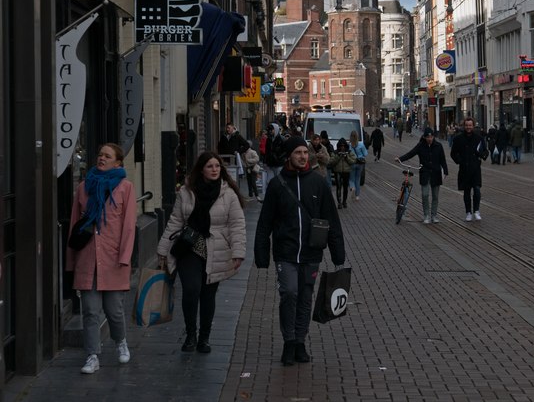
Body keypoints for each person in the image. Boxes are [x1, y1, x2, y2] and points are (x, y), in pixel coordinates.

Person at [254, 136, 345, 366]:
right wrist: (262, 254)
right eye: (298, 153)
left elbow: (331, 220)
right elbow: (265, 222)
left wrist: (338, 254)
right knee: (290, 293)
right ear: (289, 156)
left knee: (305, 297)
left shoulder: (318, 183)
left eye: (305, 152)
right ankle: (289, 341)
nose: (303, 156)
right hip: (286, 252)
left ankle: (300, 342)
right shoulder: (277, 185)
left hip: (311, 252)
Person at [157, 151, 246, 354]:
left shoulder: (228, 194)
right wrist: (162, 249)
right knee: (191, 289)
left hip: (216, 249)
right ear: (201, 169)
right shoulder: (187, 192)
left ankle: (204, 338)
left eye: (217, 166)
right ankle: (190, 334)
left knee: (208, 295)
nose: (214, 170)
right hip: (189, 246)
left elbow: (237, 224)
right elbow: (175, 221)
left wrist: (238, 251)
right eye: (210, 166)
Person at [66, 143, 137, 375]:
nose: (101, 158)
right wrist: (71, 260)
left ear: (118, 163)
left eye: (107, 156)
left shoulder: (125, 188)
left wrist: (125, 256)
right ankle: (92, 355)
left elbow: (128, 227)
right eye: (99, 154)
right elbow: (74, 227)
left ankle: (120, 341)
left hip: (114, 259)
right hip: (87, 258)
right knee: (90, 310)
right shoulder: (84, 187)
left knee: (114, 310)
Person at [396, 127, 448, 224]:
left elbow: (443, 160)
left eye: (431, 137)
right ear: (424, 137)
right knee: (425, 194)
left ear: (433, 137)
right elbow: (411, 153)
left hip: (436, 173)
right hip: (425, 173)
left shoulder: (438, 146)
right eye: (428, 137)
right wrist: (400, 159)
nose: (430, 139)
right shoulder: (420, 146)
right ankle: (426, 215)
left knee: (435, 196)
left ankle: (434, 215)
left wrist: (445, 171)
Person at [450, 117, 489, 222]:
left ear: (473, 126)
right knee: (466, 192)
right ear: (464, 126)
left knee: (477, 190)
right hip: (464, 169)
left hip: (475, 168)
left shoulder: (479, 138)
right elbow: (453, 153)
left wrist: (481, 155)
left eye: (470, 125)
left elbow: (485, 151)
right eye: (466, 125)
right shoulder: (458, 138)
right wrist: (460, 161)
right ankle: (468, 212)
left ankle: (476, 211)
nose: (468, 127)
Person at [329, 138, 356, 208]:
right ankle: (339, 202)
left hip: (346, 172)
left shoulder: (349, 152)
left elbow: (353, 161)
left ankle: (344, 201)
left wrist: (346, 157)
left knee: (345, 187)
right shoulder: (335, 152)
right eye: (341, 146)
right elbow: (331, 162)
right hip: (338, 171)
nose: (342, 147)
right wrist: (339, 156)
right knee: (338, 187)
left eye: (344, 146)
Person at [349, 130, 368, 202]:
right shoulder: (361, 144)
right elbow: (366, 154)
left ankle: (352, 187)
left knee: (351, 178)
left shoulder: (349, 145)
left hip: (352, 163)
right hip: (360, 163)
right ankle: (357, 196)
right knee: (358, 179)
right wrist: (361, 155)